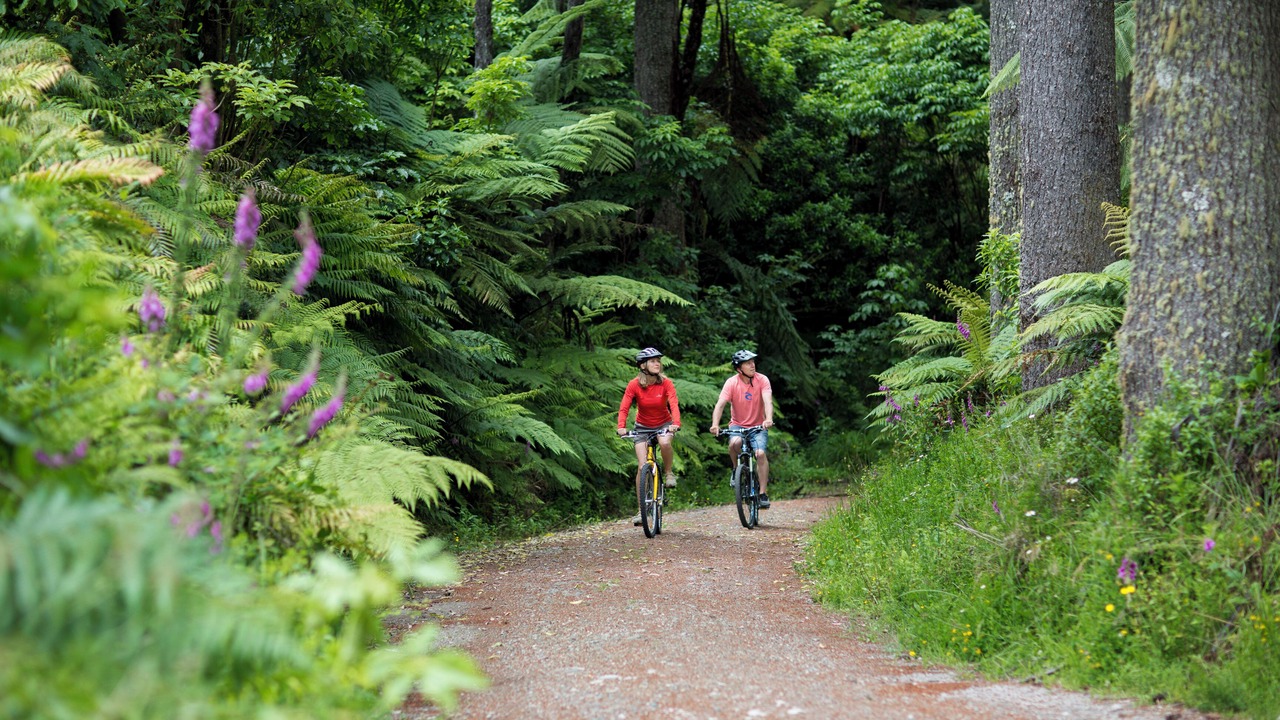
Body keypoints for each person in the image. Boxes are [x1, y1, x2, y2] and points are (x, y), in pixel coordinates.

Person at [617, 347, 681, 525]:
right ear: (643, 365)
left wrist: (675, 424)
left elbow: (673, 404)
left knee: (665, 443)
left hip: (664, 424)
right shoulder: (634, 385)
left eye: (658, 361)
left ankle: (668, 473)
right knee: (641, 466)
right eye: (653, 361)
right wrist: (621, 427)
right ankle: (641, 510)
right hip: (642, 427)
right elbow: (624, 407)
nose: (657, 364)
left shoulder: (666, 383)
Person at [709, 349, 775, 508]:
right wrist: (715, 424)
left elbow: (768, 401)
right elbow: (720, 405)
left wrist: (768, 419)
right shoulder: (731, 383)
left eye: (753, 362)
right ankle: (735, 469)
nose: (752, 365)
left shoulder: (762, 380)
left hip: (758, 425)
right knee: (734, 444)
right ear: (739, 368)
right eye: (748, 363)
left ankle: (763, 494)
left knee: (760, 453)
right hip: (738, 425)